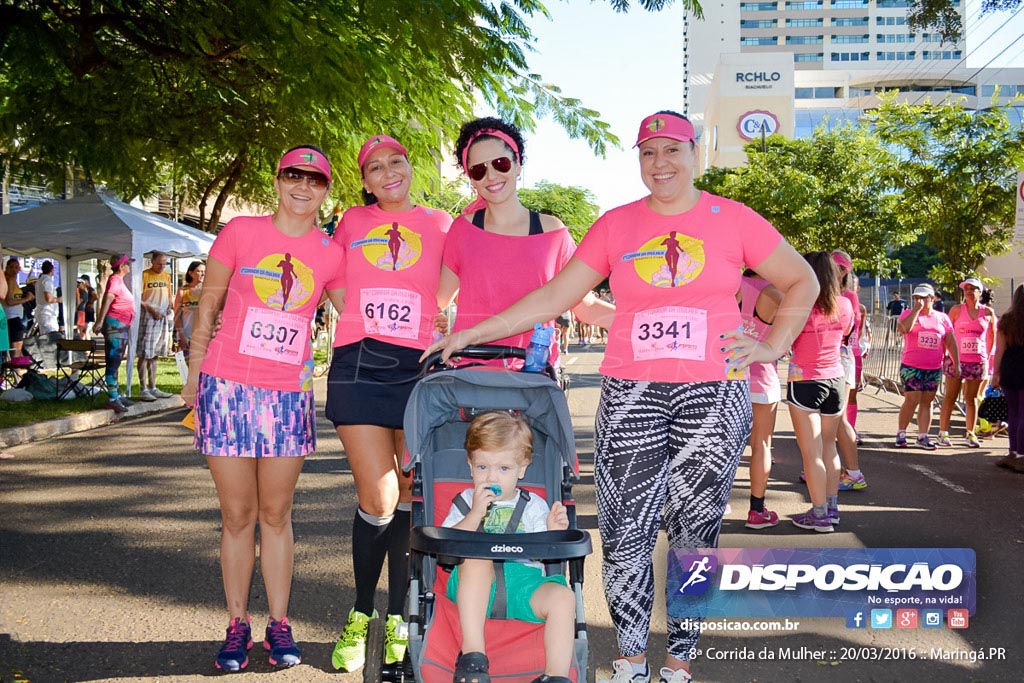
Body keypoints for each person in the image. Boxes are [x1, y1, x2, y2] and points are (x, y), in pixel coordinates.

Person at [423, 110, 818, 683]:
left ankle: (679, 661)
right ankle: (632, 660)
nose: (660, 164)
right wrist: (469, 334)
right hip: (632, 395)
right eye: (648, 153)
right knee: (627, 528)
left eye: (672, 150)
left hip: (711, 395)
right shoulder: (616, 225)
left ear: (694, 154)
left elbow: (801, 279)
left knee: (695, 532)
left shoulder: (732, 218)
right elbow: (555, 295)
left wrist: (772, 345)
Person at [181, 145, 346, 672]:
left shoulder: (331, 253)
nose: (303, 186)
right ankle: (236, 625)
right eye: (293, 175)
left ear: (325, 190)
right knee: (237, 515)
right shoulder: (240, 232)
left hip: (286, 396)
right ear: (277, 180)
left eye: (315, 180)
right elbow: (208, 303)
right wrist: (195, 370)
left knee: (275, 514)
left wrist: (429, 324)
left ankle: (279, 622)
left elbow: (357, 315)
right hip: (226, 387)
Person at [327, 134, 453, 673]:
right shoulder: (351, 222)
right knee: (377, 498)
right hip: (360, 364)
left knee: (409, 492)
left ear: (409, 166)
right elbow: (332, 278)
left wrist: (436, 313)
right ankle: (360, 613)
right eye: (374, 167)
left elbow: (454, 280)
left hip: (419, 363)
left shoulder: (442, 223)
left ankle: (401, 617)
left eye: (395, 162)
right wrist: (359, 318)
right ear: (365, 180)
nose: (387, 172)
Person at [437, 117, 610, 371]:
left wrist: (641, 322)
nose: (491, 175)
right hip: (472, 376)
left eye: (501, 164)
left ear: (518, 165)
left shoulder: (553, 233)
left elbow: (584, 305)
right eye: (478, 170)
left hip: (534, 375)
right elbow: (439, 299)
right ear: (471, 180)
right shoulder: (462, 229)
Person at [443, 411, 575, 683]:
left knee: (563, 597)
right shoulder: (465, 501)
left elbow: (544, 555)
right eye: (482, 467)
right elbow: (446, 547)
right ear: (470, 465)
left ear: (522, 468)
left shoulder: (534, 506)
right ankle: (473, 657)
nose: (492, 476)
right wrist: (475, 515)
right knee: (477, 557)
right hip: (473, 587)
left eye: (503, 469)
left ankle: (556, 676)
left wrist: (552, 532)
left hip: (522, 585)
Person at [787, 252, 854, 532]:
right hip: (836, 379)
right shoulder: (845, 304)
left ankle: (818, 514)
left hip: (805, 380)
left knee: (810, 452)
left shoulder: (801, 304)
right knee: (829, 446)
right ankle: (831, 507)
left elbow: (785, 338)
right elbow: (847, 334)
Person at [739, 271, 783, 529]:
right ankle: (757, 511)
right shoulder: (774, 294)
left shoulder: (731, 284)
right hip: (763, 376)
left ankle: (717, 502)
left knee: (724, 444)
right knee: (762, 445)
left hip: (729, 374)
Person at [894, 284, 958, 449]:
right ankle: (901, 432)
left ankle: (923, 436)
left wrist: (956, 362)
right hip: (911, 365)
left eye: (923, 297)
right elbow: (904, 329)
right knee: (912, 398)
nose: (920, 300)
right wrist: (916, 310)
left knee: (927, 401)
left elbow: (950, 341)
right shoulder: (909, 313)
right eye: (916, 297)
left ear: (932, 298)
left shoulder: (942, 318)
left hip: (933, 367)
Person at [937, 277, 997, 448]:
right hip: (956, 360)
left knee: (971, 399)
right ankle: (943, 432)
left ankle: (970, 433)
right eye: (966, 289)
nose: (969, 292)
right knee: (950, 396)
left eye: (973, 289)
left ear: (980, 292)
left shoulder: (987, 313)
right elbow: (946, 334)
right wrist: (946, 355)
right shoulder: (956, 310)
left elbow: (992, 336)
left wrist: (986, 356)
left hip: (977, 361)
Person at [831, 251, 867, 491]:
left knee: (838, 417)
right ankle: (825, 464)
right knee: (828, 418)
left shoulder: (847, 297)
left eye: (835, 266)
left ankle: (854, 472)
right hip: (831, 359)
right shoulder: (831, 294)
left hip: (840, 358)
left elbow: (845, 330)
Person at [92, 254, 136, 413]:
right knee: (113, 359)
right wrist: (100, 320)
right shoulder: (115, 280)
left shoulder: (119, 281)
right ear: (121, 266)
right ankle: (112, 398)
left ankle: (116, 394)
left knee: (116, 360)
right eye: (128, 264)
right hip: (115, 325)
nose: (129, 266)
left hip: (121, 325)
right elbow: (107, 299)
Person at [992, 285, 1024, 471]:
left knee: (1013, 412)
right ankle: (1022, 454)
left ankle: (1013, 452)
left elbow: (999, 349)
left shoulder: (1006, 320)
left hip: (1010, 366)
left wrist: (996, 373)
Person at [137, 251, 174, 401]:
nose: (162, 267)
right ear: (152, 262)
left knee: (155, 353)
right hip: (148, 315)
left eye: (164, 264)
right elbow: (137, 297)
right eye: (159, 263)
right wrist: (150, 309)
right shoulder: (144, 275)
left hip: (162, 316)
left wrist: (170, 306)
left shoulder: (166, 276)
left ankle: (153, 386)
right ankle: (143, 388)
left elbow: (169, 295)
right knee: (145, 353)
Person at [172, 260, 205, 358]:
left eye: (204, 271)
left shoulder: (208, 291)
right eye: (199, 271)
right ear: (191, 273)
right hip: (186, 334)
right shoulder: (183, 291)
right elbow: (177, 316)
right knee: (189, 365)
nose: (203, 274)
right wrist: (181, 336)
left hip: (203, 335)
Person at [3, 257, 33, 358]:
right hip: (11, 317)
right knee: (16, 350)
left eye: (16, 267)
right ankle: (18, 372)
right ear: (6, 268)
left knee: (16, 349)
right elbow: (9, 301)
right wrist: (27, 299)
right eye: (11, 267)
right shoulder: (9, 280)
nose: (14, 270)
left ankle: (18, 371)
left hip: (14, 317)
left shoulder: (13, 281)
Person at [75, 275, 98, 340]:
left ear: (86, 281)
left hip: (87, 311)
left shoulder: (89, 289)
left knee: (84, 330)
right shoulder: (85, 290)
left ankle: (87, 347)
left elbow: (96, 296)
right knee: (84, 331)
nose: (78, 285)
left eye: (79, 283)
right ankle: (87, 347)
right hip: (85, 311)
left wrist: (91, 303)